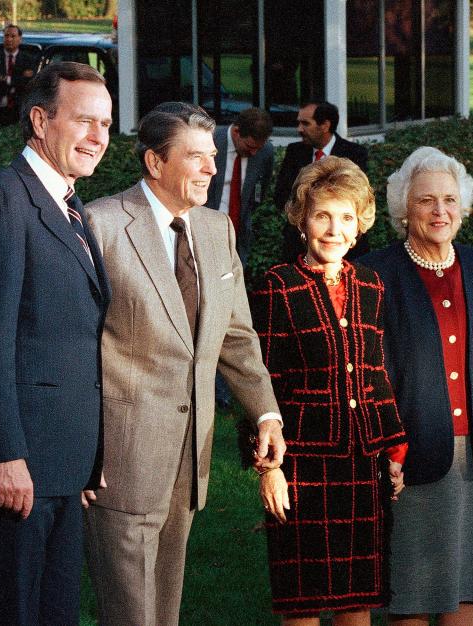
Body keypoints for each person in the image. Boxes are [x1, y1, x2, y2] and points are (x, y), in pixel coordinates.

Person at [82, 102, 286, 626]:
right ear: (155, 162)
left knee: (165, 608)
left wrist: (265, 413)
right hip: (119, 459)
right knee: (130, 613)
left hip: (190, 458)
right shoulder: (100, 225)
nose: (212, 169)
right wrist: (81, 448)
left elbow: (237, 337)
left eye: (213, 155)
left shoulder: (218, 231)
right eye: (196, 157)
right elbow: (75, 346)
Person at [0, 61, 113, 624]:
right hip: (14, 470)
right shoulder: (3, 201)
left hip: (60, 468)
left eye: (106, 125)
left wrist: (85, 459)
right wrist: (6, 455)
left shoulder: (69, 204)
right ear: (40, 120)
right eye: (85, 122)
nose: (98, 138)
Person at [361, 147, 473, 626]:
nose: (440, 211)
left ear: (464, 207)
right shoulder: (376, 272)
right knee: (411, 595)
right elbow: (370, 370)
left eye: (450, 201)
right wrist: (381, 450)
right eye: (426, 201)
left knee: (469, 588)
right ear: (403, 209)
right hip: (409, 452)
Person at [250, 156, 408, 624]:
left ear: (360, 225)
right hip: (301, 463)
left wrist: (393, 451)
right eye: (322, 215)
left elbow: (376, 375)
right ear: (302, 220)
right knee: (301, 597)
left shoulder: (371, 285)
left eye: (346, 217)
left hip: (363, 463)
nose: (334, 229)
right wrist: (268, 469)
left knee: (357, 598)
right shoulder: (277, 287)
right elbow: (262, 383)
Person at [274, 101, 369, 262]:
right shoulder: (294, 152)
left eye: (305, 123)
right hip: (297, 248)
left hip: (343, 249)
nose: (299, 129)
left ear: (325, 125)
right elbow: (281, 196)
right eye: (298, 123)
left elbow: (359, 201)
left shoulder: (354, 154)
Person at [205, 107, 275, 265]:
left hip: (239, 231)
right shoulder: (211, 141)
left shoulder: (266, 152)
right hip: (206, 226)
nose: (254, 153)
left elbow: (260, 190)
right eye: (250, 146)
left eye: (259, 148)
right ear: (236, 132)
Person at [0, 24, 39, 127]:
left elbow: (30, 84)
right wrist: (20, 79)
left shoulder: (28, 60)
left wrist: (7, 80)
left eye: (13, 36)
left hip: (19, 110)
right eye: (6, 36)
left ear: (20, 39)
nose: (9, 39)